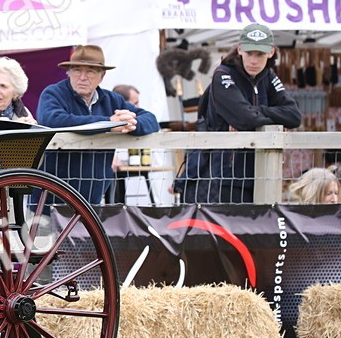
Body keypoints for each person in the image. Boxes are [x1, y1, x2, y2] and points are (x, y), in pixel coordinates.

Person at [174, 24, 301, 204]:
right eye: (249, 53)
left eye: (260, 54)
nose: (254, 60)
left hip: (259, 174)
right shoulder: (223, 74)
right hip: (222, 176)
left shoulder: (268, 76)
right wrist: (271, 119)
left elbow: (294, 116)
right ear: (240, 49)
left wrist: (257, 112)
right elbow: (245, 118)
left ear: (271, 52)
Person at [37, 45, 160, 205]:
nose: (82, 77)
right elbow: (52, 120)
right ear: (69, 72)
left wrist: (131, 124)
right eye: (77, 70)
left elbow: (151, 120)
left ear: (101, 76)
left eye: (90, 71)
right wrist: (108, 124)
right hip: (50, 199)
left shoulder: (113, 100)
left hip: (92, 202)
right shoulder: (53, 94)